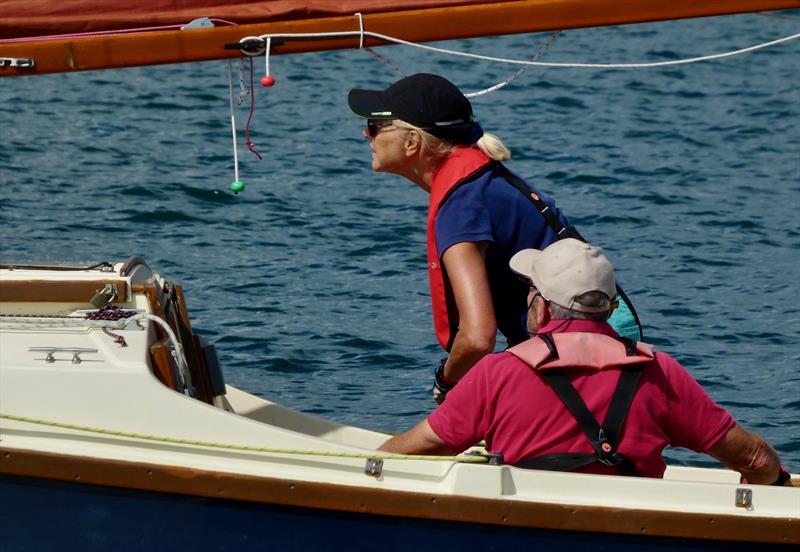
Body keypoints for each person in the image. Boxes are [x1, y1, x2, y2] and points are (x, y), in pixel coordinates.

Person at [378, 238, 791, 484]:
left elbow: (411, 450)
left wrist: (373, 458)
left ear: (540, 308)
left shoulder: (497, 372)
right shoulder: (660, 372)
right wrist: (772, 484)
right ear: (611, 309)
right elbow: (756, 459)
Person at [349, 73, 640, 403]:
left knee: (446, 422)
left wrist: (446, 384)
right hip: (597, 356)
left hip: (574, 372)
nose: (365, 133)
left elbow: (476, 338)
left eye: (374, 125)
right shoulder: (482, 181)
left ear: (412, 142)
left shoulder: (462, 206)